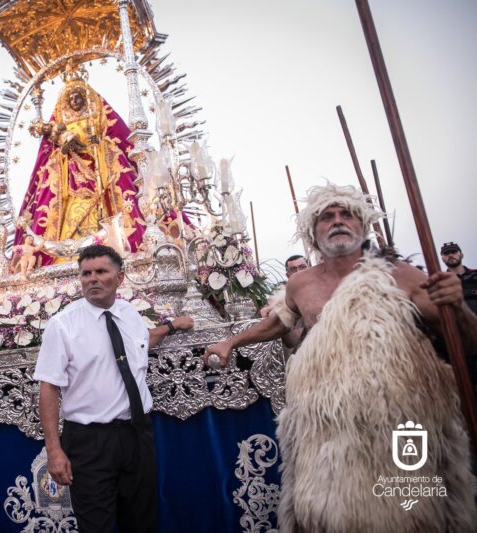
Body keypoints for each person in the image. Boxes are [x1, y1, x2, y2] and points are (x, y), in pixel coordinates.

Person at [205, 183, 477, 531]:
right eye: (326, 217)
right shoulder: (301, 283)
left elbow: (466, 342)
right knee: (329, 514)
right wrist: (232, 342)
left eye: (346, 214)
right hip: (327, 428)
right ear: (312, 234)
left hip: (398, 422)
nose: (337, 221)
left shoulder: (402, 276)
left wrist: (456, 305)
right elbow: (278, 322)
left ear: (363, 227)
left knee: (411, 514)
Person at [35, 244, 193, 532]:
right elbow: (48, 387)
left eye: (101, 272)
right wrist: (53, 451)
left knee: (142, 521)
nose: (92, 279)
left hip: (137, 435)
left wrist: (171, 327)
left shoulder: (129, 313)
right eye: (86, 273)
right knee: (97, 526)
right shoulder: (62, 326)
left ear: (119, 278)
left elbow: (142, 341)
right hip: (90, 442)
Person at [14, 66, 146, 265]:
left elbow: (115, 140)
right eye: (71, 98)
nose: (75, 101)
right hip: (70, 177)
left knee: (104, 212)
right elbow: (50, 151)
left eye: (78, 97)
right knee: (70, 215)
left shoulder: (97, 116)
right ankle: (66, 257)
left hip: (99, 171)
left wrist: (98, 146)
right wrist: (64, 149)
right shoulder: (60, 125)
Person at [440, 241, 477, 313]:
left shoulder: (475, 274)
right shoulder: (442, 281)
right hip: (456, 322)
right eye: (446, 254)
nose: (450, 255)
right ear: (442, 259)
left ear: (462, 255)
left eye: (454, 252)